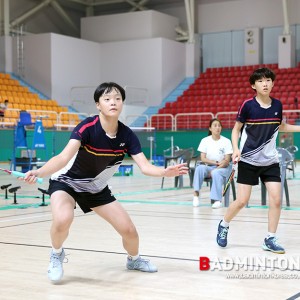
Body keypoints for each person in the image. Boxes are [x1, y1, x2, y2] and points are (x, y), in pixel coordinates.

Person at [23, 82, 188, 283]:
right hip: (67, 183)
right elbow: (63, 158)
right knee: (63, 219)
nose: (113, 102)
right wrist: (39, 171)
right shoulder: (87, 128)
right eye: (107, 99)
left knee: (129, 231)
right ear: (98, 105)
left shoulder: (127, 135)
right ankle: (56, 254)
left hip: (96, 188)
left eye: (118, 99)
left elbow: (144, 166)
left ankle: (133, 260)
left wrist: (164, 172)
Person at [216, 67, 300, 254]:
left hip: (270, 161)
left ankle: (270, 238)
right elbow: (236, 129)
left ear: (272, 83)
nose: (265, 83)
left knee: (276, 200)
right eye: (261, 81)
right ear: (253, 85)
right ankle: (224, 224)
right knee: (242, 201)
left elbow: (281, 125)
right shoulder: (248, 105)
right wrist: (236, 149)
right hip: (248, 160)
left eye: (268, 80)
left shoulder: (277, 105)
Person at [192, 118, 233, 208]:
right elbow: (203, 158)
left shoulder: (226, 141)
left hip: (224, 168)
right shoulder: (205, 140)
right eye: (215, 126)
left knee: (216, 172)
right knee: (199, 168)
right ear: (210, 128)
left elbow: (226, 161)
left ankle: (217, 200)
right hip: (210, 166)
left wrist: (216, 168)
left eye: (219, 126)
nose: (217, 128)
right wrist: (215, 163)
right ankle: (196, 195)